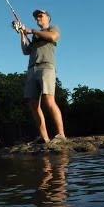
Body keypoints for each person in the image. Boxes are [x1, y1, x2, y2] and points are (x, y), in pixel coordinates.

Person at [15, 9, 66, 144]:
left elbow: (53, 37)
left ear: (48, 17)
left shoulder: (53, 28)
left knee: (49, 101)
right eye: (36, 17)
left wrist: (31, 31)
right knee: (33, 104)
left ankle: (61, 134)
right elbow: (26, 51)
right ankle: (44, 138)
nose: (38, 18)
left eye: (40, 15)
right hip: (32, 69)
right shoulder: (35, 36)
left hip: (46, 67)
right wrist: (22, 33)